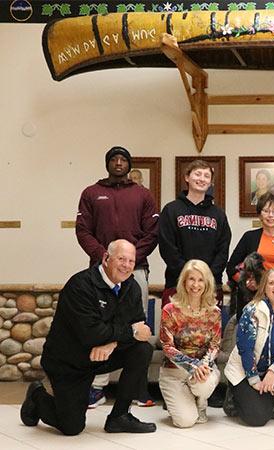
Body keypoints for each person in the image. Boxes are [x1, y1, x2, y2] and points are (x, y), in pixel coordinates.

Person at [21, 240, 155, 435]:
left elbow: (139, 328)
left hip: (100, 355)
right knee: (71, 427)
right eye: (121, 259)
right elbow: (91, 333)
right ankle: (37, 396)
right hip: (69, 361)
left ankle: (119, 417)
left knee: (142, 350)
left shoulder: (131, 286)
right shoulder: (80, 286)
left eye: (131, 261)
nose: (126, 265)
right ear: (106, 258)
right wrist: (125, 333)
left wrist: (113, 343)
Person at [75, 146, 159, 408]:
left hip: (137, 270)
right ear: (107, 164)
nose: (119, 163)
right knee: (101, 323)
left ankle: (136, 389)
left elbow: (152, 232)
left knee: (136, 322)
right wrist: (104, 255)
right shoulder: (91, 193)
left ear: (130, 165)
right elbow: (83, 230)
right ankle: (97, 388)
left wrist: (128, 259)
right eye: (114, 159)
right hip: (101, 271)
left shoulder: (142, 195)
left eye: (124, 160)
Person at [224, 269, 274, 426]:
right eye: (271, 283)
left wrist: (272, 371)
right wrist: (254, 380)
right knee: (257, 419)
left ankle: (272, 406)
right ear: (264, 288)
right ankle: (234, 397)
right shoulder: (252, 311)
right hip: (245, 371)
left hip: (271, 372)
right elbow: (245, 350)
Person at [159, 159, 231, 306]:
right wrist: (188, 276)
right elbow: (167, 248)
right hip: (177, 284)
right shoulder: (171, 210)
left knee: (209, 329)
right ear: (187, 177)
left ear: (211, 182)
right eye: (197, 174)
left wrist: (205, 277)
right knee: (176, 329)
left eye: (206, 176)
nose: (201, 179)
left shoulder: (218, 214)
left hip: (210, 286)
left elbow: (223, 250)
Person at [159, 260, 222, 428]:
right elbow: (167, 347)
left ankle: (201, 401)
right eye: (191, 279)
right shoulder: (170, 310)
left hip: (203, 370)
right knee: (185, 422)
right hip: (174, 372)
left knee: (204, 384)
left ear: (207, 283)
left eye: (201, 280)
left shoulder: (214, 312)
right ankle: (186, 400)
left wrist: (202, 366)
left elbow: (215, 345)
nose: (196, 285)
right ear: (184, 282)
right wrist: (193, 366)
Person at [227, 192, 274, 317]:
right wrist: (247, 283)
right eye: (266, 211)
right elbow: (231, 268)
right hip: (252, 299)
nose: (270, 215)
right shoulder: (249, 237)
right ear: (259, 214)